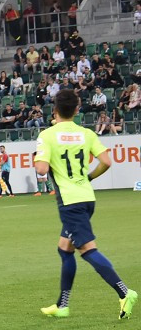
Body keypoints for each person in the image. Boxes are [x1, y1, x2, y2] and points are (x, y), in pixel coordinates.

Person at [35, 89, 137, 318]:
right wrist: (88, 178)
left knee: (87, 250)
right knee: (65, 248)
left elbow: (41, 170)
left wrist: (42, 158)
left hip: (70, 203)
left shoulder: (47, 135)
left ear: (55, 109)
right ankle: (62, 305)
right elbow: (106, 162)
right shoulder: (86, 134)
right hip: (87, 197)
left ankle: (124, 291)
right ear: (77, 110)